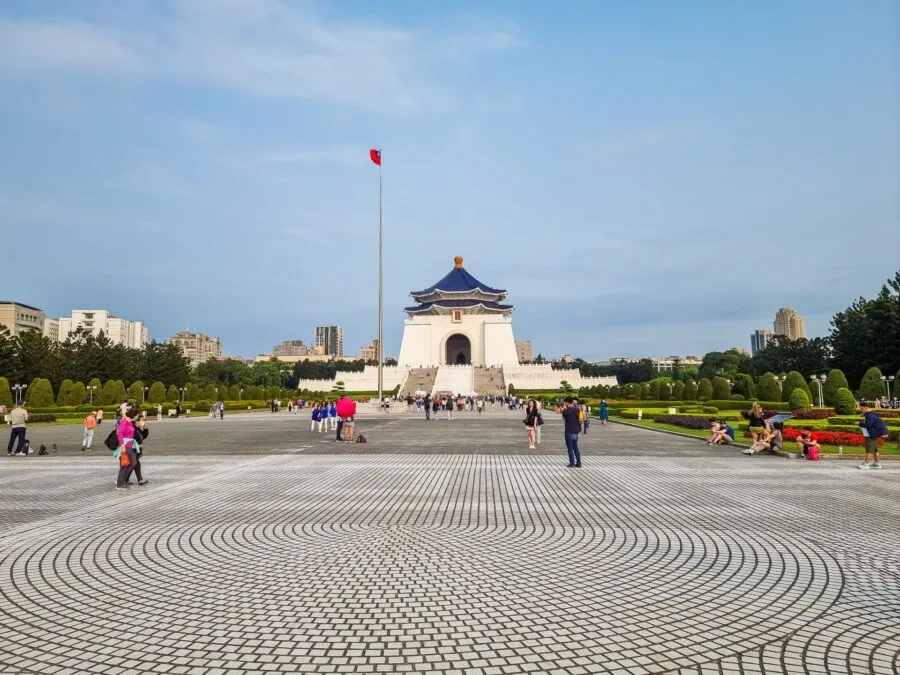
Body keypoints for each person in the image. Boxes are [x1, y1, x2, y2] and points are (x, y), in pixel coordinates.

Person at [115, 406, 143, 490]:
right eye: (137, 415)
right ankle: (120, 484)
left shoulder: (130, 422)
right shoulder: (124, 422)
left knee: (133, 463)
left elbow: (131, 435)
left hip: (130, 446)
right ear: (133, 414)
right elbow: (119, 434)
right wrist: (122, 446)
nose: (137, 417)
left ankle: (123, 480)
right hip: (125, 446)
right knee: (125, 464)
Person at [858, 402, 889, 469]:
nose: (861, 410)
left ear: (866, 408)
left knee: (869, 450)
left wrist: (859, 424)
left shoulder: (870, 415)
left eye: (861, 408)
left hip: (871, 435)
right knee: (875, 450)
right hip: (874, 434)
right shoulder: (872, 414)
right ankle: (877, 463)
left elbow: (868, 425)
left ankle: (866, 464)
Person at [560, 397, 582, 467]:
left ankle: (572, 463)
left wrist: (564, 408)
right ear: (572, 402)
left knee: (570, 448)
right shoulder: (578, 410)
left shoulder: (565, 411)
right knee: (575, 447)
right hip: (576, 431)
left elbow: (563, 418)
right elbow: (580, 420)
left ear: (566, 403)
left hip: (569, 431)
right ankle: (578, 463)